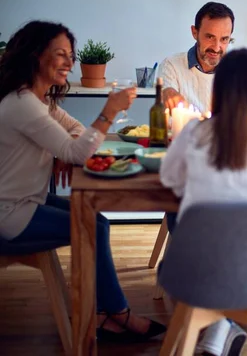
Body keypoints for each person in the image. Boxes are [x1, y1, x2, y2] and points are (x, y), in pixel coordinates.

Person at [0, 21, 166, 341]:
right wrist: (109, 110)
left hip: (23, 200)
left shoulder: (39, 101)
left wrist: (62, 150)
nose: (68, 62)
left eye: (70, 55)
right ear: (35, 56)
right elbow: (79, 151)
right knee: (91, 225)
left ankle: (109, 313)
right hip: (11, 214)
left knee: (98, 222)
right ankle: (117, 314)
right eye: (59, 54)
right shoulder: (24, 105)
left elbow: (75, 132)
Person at [160, 48, 247, 356]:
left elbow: (169, 179)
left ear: (219, 89)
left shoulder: (194, 133)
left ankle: (216, 327)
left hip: (193, 274)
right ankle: (219, 328)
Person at [158, 1, 235, 111]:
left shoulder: (238, 72)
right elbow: (166, 92)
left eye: (224, 39)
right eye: (210, 37)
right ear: (195, 32)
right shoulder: (171, 66)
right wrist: (167, 93)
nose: (216, 48)